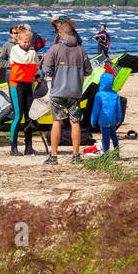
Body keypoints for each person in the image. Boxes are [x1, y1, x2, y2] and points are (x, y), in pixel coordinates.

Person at [41, 17, 91, 165]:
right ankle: (75, 156)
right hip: (74, 92)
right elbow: (88, 71)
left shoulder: (55, 49)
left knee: (57, 122)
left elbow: (46, 69)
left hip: (58, 92)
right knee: (75, 123)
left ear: (60, 34)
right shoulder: (81, 50)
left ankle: (54, 156)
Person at [7, 26, 40, 156]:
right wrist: (32, 53)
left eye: (28, 42)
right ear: (19, 41)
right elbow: (25, 60)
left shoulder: (32, 52)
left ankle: (29, 147)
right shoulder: (15, 50)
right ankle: (13, 148)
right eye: (24, 42)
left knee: (29, 116)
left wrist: (37, 76)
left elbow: (36, 65)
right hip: (16, 85)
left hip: (28, 85)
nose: (27, 44)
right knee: (18, 116)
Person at [89, 70, 122, 155]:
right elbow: (119, 108)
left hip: (103, 120)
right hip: (113, 119)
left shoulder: (99, 95)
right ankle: (116, 153)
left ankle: (106, 154)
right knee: (114, 136)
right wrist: (119, 119)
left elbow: (95, 110)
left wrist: (93, 121)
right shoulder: (115, 94)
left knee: (105, 137)